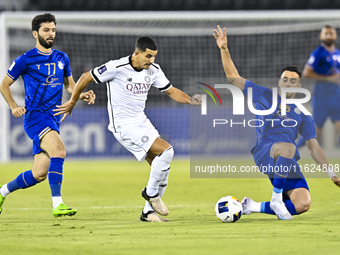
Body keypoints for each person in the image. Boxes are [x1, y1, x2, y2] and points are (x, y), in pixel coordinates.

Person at [54, 36, 201, 222]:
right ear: (136, 53)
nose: (152, 60)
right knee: (167, 151)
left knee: (162, 167)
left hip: (142, 122)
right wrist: (72, 101)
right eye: (148, 56)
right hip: (123, 125)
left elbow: (171, 91)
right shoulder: (116, 67)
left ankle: (148, 212)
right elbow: (85, 77)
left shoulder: (154, 70)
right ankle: (150, 194)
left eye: (154, 56)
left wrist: (191, 99)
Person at [213, 25, 340, 220]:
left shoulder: (303, 114)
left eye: (292, 81)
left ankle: (252, 206)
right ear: (279, 82)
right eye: (285, 80)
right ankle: (276, 199)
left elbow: (314, 148)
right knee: (288, 147)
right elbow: (233, 78)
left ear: (298, 86)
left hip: (286, 161)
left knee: (303, 203)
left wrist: (331, 173)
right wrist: (224, 49)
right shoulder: (264, 94)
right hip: (265, 151)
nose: (288, 84)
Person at [0, 13, 95, 218]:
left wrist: (82, 94)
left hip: (53, 118)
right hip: (35, 117)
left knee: (39, 174)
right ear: (35, 33)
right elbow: (4, 84)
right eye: (46, 30)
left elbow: (70, 86)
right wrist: (13, 106)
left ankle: (1, 192)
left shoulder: (62, 57)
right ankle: (57, 204)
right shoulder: (25, 60)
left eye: (53, 29)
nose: (51, 33)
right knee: (59, 151)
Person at [297, 25, 340, 147]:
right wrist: (328, 78)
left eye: (331, 33)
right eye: (326, 33)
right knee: (313, 134)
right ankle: (287, 154)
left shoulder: (338, 54)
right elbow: (306, 73)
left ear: (335, 36)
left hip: (336, 96)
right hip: (323, 97)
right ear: (321, 36)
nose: (329, 36)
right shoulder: (318, 53)